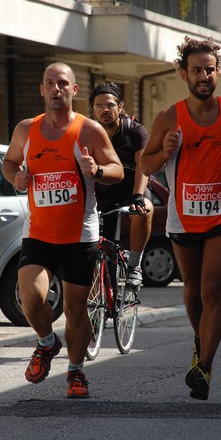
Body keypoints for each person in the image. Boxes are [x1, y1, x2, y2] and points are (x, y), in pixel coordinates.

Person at [2, 62, 124, 399]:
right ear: (41, 90)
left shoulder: (89, 131)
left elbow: (117, 170)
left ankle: (76, 373)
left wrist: (97, 168)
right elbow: (10, 162)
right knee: (31, 298)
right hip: (39, 233)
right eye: (50, 84)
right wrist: (16, 177)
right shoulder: (26, 130)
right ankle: (47, 341)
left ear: (74, 90)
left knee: (75, 309)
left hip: (79, 235)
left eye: (63, 84)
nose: (57, 89)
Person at [140, 36, 221, 400]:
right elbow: (145, 164)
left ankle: (204, 365)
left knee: (211, 288)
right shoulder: (169, 117)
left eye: (211, 69)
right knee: (191, 290)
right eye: (198, 70)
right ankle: (200, 339)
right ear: (184, 73)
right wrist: (166, 149)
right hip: (183, 216)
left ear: (218, 72)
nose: (205, 75)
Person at [89, 82, 153, 288]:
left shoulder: (134, 131)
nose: (104, 110)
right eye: (98, 106)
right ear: (93, 110)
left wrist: (137, 196)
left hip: (129, 191)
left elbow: (143, 166)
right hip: (100, 195)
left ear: (120, 106)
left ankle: (134, 265)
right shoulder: (88, 132)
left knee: (144, 210)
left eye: (109, 105)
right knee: (103, 252)